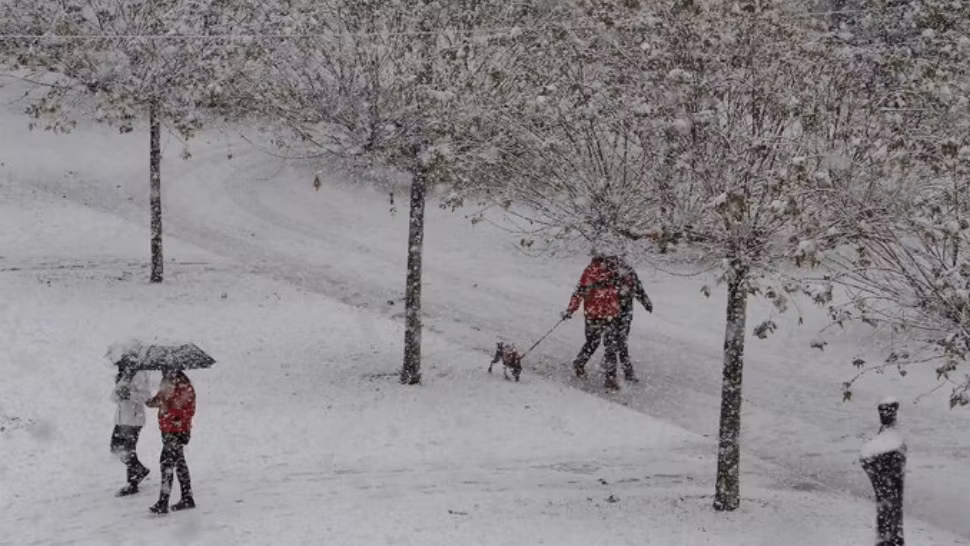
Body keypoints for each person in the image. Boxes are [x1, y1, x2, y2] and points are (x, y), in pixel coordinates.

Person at [563, 252, 622, 389]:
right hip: (608, 314)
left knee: (594, 343)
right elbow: (623, 292)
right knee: (610, 346)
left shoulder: (590, 271)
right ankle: (610, 378)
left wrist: (571, 309)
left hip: (594, 314)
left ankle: (581, 363)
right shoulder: (614, 271)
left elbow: (578, 292)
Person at [146, 369, 196, 514]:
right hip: (168, 430)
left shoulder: (183, 386)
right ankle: (187, 497)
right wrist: (151, 401)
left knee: (166, 464)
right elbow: (161, 400)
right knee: (179, 462)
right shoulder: (168, 383)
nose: (162, 372)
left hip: (177, 431)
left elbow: (187, 410)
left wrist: (171, 413)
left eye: (164, 369)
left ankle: (163, 502)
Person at [606, 255, 653, 383]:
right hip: (612, 312)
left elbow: (638, 289)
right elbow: (638, 289)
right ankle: (619, 372)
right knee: (616, 342)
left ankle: (618, 371)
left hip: (623, 313)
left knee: (619, 341)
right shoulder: (609, 272)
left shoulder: (628, 273)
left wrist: (646, 302)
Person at [110, 358, 152, 497]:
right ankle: (139, 470)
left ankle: (132, 483)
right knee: (116, 448)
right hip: (121, 419)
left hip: (134, 419)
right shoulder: (124, 375)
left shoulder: (139, 374)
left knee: (128, 450)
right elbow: (113, 397)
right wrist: (119, 393)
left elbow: (146, 397)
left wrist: (129, 394)